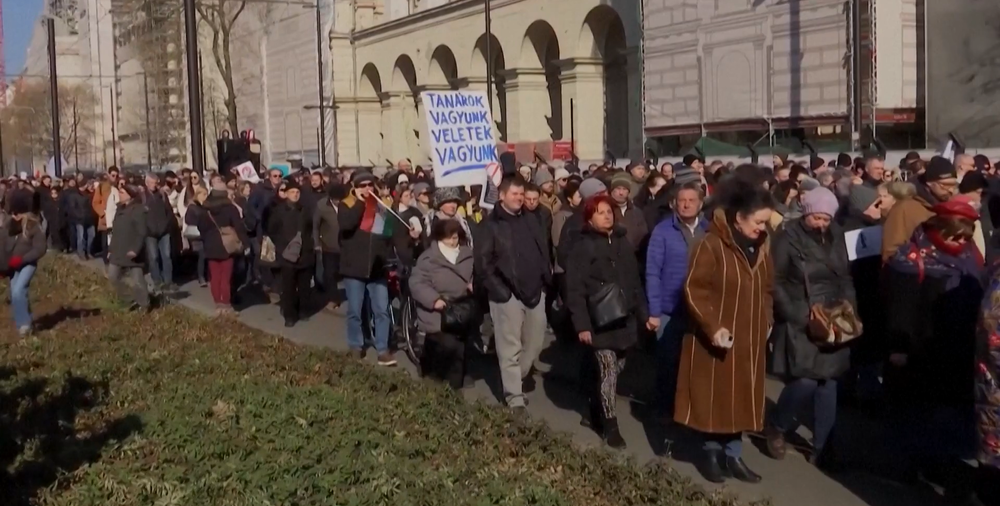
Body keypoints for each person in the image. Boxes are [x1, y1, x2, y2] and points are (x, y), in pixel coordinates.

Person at [676, 176, 775, 484]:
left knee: (743, 398)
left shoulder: (760, 249)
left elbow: (768, 289)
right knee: (715, 399)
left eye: (765, 222)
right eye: (758, 221)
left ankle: (733, 455)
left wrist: (767, 319)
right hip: (716, 339)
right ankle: (710, 454)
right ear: (738, 218)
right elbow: (694, 289)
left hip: (750, 339)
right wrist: (713, 326)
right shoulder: (711, 244)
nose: (762, 228)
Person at [884, 200, 983, 485]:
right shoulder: (910, 260)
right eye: (956, 236)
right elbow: (901, 308)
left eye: (966, 237)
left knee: (947, 412)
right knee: (918, 412)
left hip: (958, 347)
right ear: (940, 230)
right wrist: (899, 347)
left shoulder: (969, 257)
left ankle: (941, 463)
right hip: (921, 348)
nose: (961, 243)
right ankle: (910, 468)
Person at [767, 188, 855, 468]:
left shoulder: (837, 235)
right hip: (802, 316)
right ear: (806, 213)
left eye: (826, 219)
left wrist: (849, 309)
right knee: (804, 381)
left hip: (834, 318)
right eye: (817, 217)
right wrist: (796, 314)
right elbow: (776, 281)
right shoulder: (786, 239)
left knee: (828, 383)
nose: (821, 224)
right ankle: (778, 426)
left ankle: (823, 445)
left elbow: (845, 276)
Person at [564, 194, 651, 449]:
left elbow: (635, 281)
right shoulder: (582, 247)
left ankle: (594, 406)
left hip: (624, 320)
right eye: (600, 212)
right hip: (599, 321)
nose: (607, 215)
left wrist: (643, 313)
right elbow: (575, 290)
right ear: (589, 218)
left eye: (609, 211)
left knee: (616, 368)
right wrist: (582, 325)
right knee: (609, 370)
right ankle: (610, 425)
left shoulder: (623, 242)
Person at [478, 177, 550, 413]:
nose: (519, 198)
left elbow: (543, 251)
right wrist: (501, 292)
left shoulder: (532, 219)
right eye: (515, 194)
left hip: (535, 292)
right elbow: (483, 263)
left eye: (521, 194)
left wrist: (544, 280)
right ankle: (514, 397)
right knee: (510, 347)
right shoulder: (491, 225)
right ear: (502, 196)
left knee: (535, 341)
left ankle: (511, 377)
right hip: (507, 294)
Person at [645, 181, 708, 427]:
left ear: (700, 204)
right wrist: (654, 310)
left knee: (696, 364)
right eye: (682, 200)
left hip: (700, 310)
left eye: (692, 200)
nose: (687, 204)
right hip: (670, 308)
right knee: (669, 363)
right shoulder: (662, 231)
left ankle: (691, 411)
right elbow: (652, 272)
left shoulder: (709, 230)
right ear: (674, 203)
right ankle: (663, 408)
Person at [409, 218, 475, 389]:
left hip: (461, 312)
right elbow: (417, 283)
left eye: (456, 237)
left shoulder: (467, 255)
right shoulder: (429, 258)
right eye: (449, 238)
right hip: (437, 315)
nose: (453, 242)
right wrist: (434, 299)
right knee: (443, 349)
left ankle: (453, 392)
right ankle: (432, 382)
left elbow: (476, 274)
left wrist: (473, 284)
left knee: (459, 352)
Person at [339, 171, 395, 365]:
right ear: (355, 188)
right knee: (355, 310)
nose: (367, 189)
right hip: (354, 267)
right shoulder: (346, 204)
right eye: (362, 186)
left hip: (377, 268)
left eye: (370, 185)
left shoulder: (381, 206)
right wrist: (361, 204)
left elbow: (389, 233)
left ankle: (382, 349)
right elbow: (346, 225)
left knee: (382, 310)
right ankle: (356, 345)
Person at [882, 156, 957, 262]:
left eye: (954, 185)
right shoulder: (905, 208)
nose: (951, 190)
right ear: (930, 183)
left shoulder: (951, 207)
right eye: (945, 185)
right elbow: (890, 250)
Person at [266, 180, 316, 328]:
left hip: (305, 253)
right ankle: (289, 315)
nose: (295, 195)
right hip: (287, 255)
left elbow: (311, 228)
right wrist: (282, 245)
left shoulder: (305, 210)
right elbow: (272, 229)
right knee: (288, 287)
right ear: (286, 194)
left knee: (304, 285)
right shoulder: (279, 211)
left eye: (297, 192)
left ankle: (303, 310)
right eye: (292, 192)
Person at [195, 187, 250, 315]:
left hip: (210, 246)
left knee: (215, 277)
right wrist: (245, 243)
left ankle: (218, 305)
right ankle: (226, 304)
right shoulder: (231, 209)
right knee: (226, 277)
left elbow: (200, 227)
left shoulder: (204, 210)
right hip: (227, 246)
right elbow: (239, 227)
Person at [0, 192, 47, 336]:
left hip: (28, 263)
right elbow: (3, 247)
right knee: (16, 294)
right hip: (13, 266)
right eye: (12, 213)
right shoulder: (8, 226)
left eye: (17, 213)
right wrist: (2, 267)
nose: (14, 216)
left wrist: (23, 259)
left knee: (19, 290)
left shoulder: (33, 226)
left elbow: (40, 249)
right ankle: (24, 319)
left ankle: (24, 325)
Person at [108, 184, 151, 311]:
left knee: (137, 280)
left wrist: (135, 250)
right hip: (118, 250)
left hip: (132, 251)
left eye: (122, 192)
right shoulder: (119, 209)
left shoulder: (138, 210)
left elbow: (142, 232)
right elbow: (115, 232)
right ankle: (129, 299)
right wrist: (110, 249)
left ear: (130, 196)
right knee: (112, 277)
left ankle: (144, 304)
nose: (119, 195)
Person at [314, 182, 346, 310]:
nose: (338, 202)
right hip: (329, 246)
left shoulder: (348, 205)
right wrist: (317, 243)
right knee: (329, 274)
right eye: (336, 199)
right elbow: (316, 226)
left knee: (345, 274)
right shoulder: (322, 206)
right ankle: (333, 298)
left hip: (346, 246)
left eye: (341, 199)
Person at [144, 174, 176, 292]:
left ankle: (168, 281)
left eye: (156, 183)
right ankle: (157, 281)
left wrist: (166, 225)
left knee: (167, 256)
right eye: (152, 183)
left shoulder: (162, 195)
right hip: (150, 232)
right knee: (153, 257)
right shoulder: (143, 197)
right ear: (147, 183)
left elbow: (169, 212)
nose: (155, 185)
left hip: (164, 231)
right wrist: (147, 228)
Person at [608, 173, 649, 249]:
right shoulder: (606, 210)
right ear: (612, 190)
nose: (621, 193)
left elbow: (643, 235)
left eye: (624, 189)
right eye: (618, 189)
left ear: (628, 192)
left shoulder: (637, 212)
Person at [183, 186, 211, 287]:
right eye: (204, 194)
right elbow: (188, 220)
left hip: (205, 233)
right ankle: (201, 277)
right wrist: (199, 222)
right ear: (198, 194)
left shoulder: (206, 206)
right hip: (196, 234)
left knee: (204, 255)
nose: (205, 196)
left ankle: (201, 274)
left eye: (206, 194)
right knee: (202, 255)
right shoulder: (193, 206)